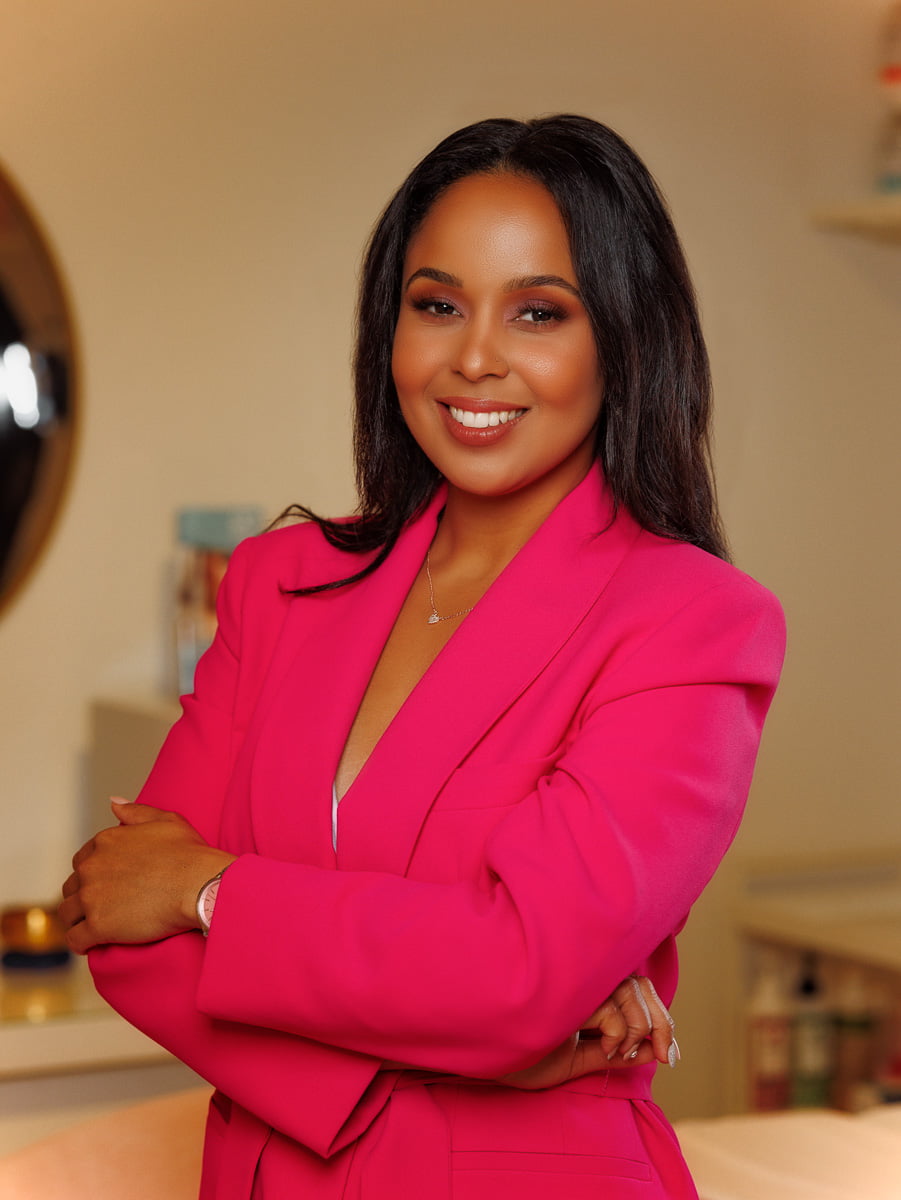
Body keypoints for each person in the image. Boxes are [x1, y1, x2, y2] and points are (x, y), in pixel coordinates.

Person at [59, 115, 785, 1198]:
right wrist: (439, 1054)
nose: (474, 358)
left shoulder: (688, 622)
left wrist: (208, 891)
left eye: (538, 312)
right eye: (437, 305)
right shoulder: (281, 583)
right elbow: (119, 921)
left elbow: (518, 971)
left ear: (624, 340)